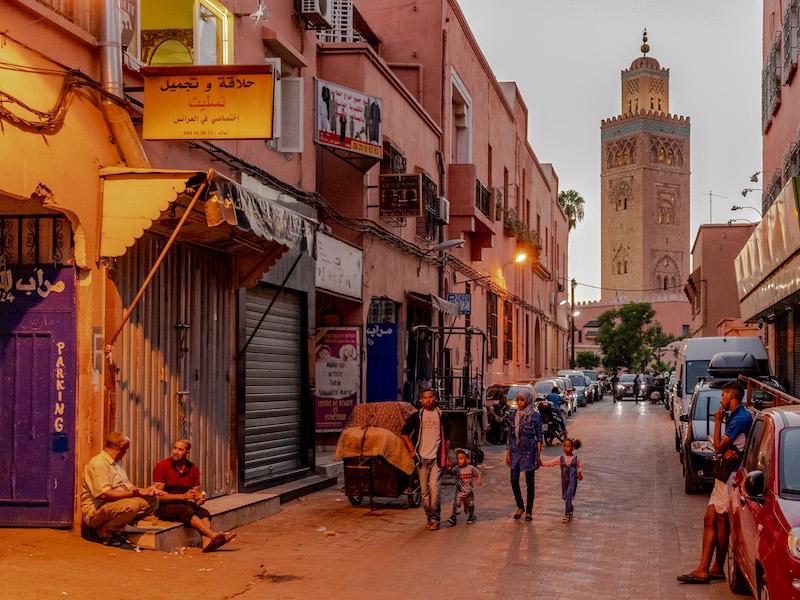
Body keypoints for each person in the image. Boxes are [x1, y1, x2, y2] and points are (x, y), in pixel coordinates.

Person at [677, 381, 752, 585]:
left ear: (730, 394)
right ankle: (713, 568)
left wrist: (718, 422)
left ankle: (709, 569)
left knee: (719, 519)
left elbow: (719, 447)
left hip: (729, 475)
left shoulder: (740, 418)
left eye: (723, 395)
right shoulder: (739, 416)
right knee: (711, 518)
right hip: (725, 473)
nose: (721, 400)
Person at [152, 438, 236, 553]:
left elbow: (196, 492)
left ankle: (206, 542)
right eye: (175, 448)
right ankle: (213, 535)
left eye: (180, 449)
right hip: (164, 506)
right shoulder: (162, 466)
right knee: (187, 510)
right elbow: (158, 496)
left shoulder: (193, 469)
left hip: (183, 503)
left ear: (187, 452)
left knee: (204, 512)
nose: (176, 452)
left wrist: (199, 498)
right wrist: (183, 496)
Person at [80, 431, 161, 546]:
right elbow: (103, 494)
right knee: (131, 505)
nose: (125, 453)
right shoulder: (98, 464)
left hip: (114, 505)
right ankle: (104, 530)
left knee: (153, 500)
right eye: (125, 449)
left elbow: (127, 486)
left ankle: (115, 528)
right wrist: (130, 494)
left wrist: (145, 491)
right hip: (96, 512)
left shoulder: (116, 463)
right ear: (120, 447)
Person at [401, 387, 452, 531]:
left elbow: (447, 439)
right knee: (425, 492)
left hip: (437, 458)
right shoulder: (417, 416)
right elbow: (404, 433)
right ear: (421, 400)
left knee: (434, 488)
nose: (428, 400)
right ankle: (429, 517)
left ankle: (435, 520)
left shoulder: (442, 416)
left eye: (430, 397)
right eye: (425, 398)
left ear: (435, 398)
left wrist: (447, 458)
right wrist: (411, 450)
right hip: (421, 459)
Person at [505, 389, 543, 521]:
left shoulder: (535, 416)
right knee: (513, 479)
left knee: (529, 482)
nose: (520, 403)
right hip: (516, 450)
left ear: (528, 400)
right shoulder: (513, 415)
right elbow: (510, 435)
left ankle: (529, 511)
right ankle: (520, 506)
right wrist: (508, 452)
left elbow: (539, 437)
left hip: (529, 451)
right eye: (518, 400)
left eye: (522, 400)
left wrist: (538, 455)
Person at [542, 437, 583, 523]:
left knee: (568, 495)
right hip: (564, 481)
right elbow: (551, 463)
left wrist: (579, 473)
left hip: (572, 481)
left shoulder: (576, 458)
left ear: (572, 448)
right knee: (565, 496)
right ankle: (570, 507)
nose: (565, 448)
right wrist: (541, 464)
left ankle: (567, 514)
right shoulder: (561, 458)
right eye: (564, 446)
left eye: (568, 446)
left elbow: (580, 467)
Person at [446, 448, 482, 526]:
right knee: (456, 504)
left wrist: (478, 480)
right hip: (459, 491)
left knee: (470, 505)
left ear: (467, 459)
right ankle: (453, 517)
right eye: (458, 458)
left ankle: (471, 515)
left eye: (461, 458)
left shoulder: (471, 468)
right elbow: (451, 472)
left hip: (469, 492)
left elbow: (478, 473)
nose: (459, 460)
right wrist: (448, 469)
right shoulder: (456, 469)